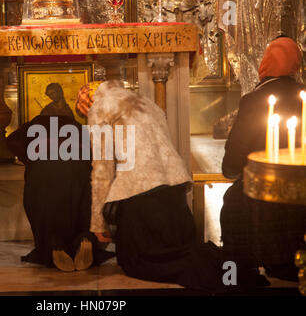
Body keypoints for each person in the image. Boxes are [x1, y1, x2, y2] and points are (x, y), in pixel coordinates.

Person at [76, 80, 224, 291]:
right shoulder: (146, 102)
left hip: (143, 201)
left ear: (86, 104)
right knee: (183, 252)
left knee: (137, 264)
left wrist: (99, 225)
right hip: (175, 197)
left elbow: (103, 170)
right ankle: (229, 267)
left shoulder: (100, 107)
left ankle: (223, 270)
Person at [220, 36, 306, 284]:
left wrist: (234, 170)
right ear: (296, 65)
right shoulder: (303, 95)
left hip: (263, 190)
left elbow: (234, 160)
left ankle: (236, 277)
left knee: (234, 200)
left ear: (265, 64)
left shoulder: (254, 100)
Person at [6, 110, 113, 272]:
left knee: (42, 209)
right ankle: (84, 238)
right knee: (82, 207)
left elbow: (11, 141)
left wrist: (28, 159)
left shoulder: (34, 124)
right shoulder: (76, 126)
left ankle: (54, 245)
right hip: (78, 168)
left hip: (43, 170)